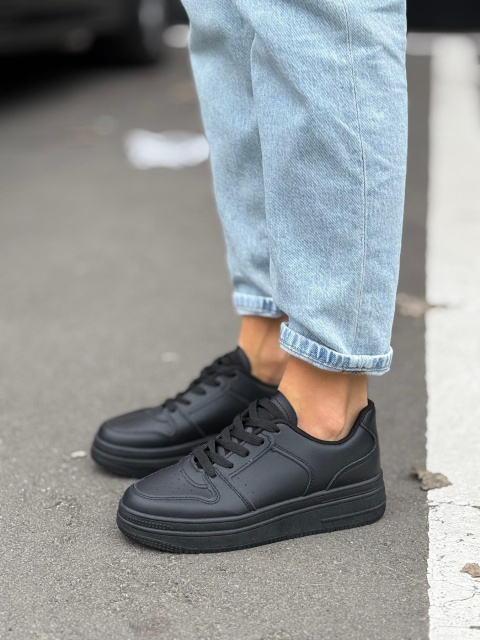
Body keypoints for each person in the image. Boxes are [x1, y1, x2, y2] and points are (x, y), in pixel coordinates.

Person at [92, 0, 407, 552]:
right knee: (228, 22)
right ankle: (268, 354)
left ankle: (325, 408)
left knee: (319, 16)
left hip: (329, 409)